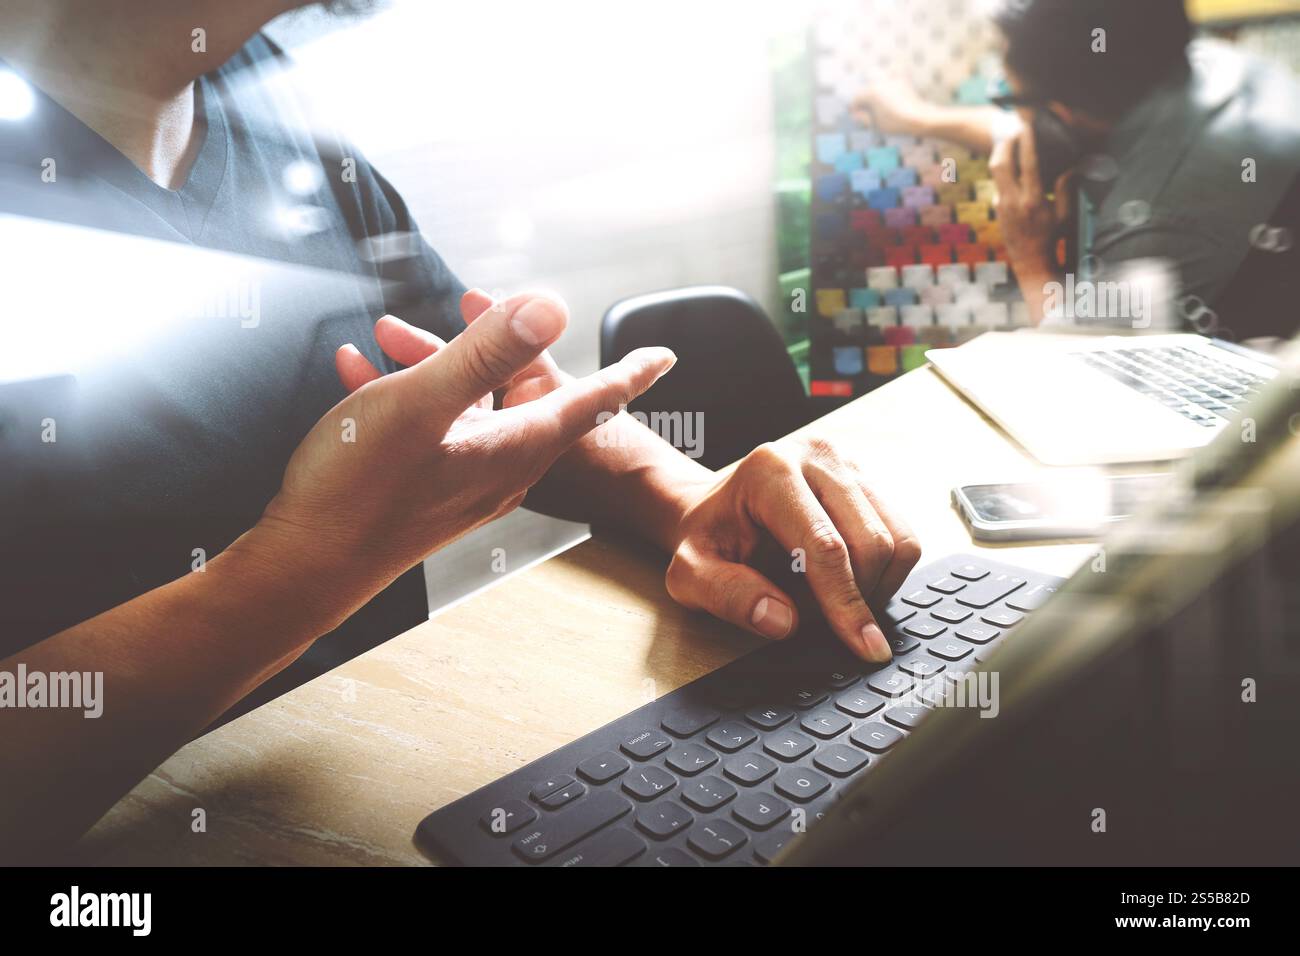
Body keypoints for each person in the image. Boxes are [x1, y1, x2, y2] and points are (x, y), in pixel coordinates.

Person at [0, 0, 920, 858]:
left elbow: (501, 390)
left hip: (396, 790)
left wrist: (691, 500)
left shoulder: (264, 88)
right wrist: (316, 561)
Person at [854, 0, 1300, 337]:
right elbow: (1045, 126)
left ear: (1064, 112)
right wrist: (917, 118)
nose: (1010, 112)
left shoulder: (1155, 225)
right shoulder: (1192, 64)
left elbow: (1089, 383)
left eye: (1010, 96)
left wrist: (1031, 258)